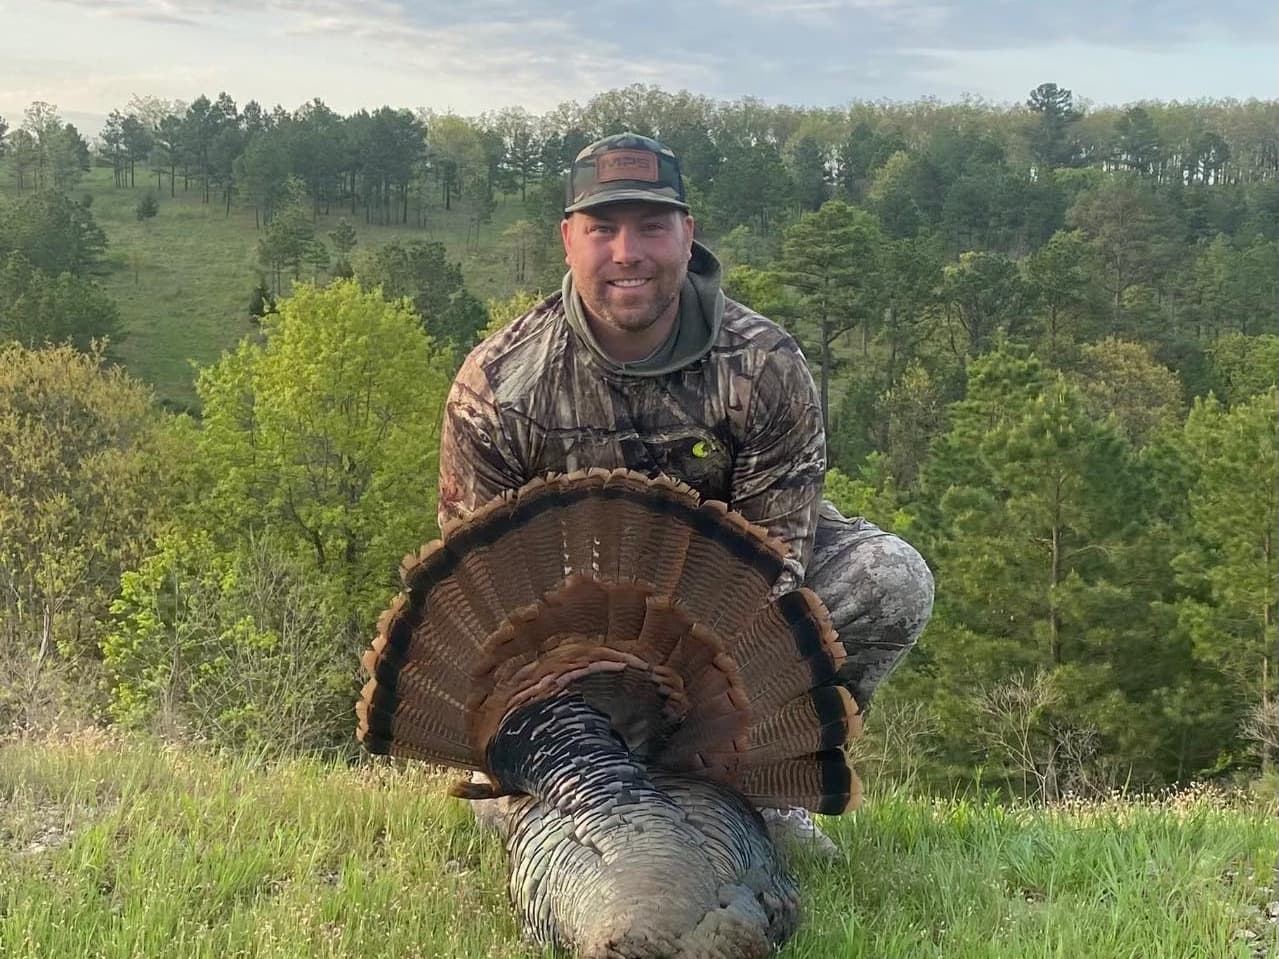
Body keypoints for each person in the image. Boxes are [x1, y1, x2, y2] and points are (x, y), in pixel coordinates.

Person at [438, 132, 934, 857]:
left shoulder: (762, 364)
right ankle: (560, 779)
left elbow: (776, 567)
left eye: (650, 226)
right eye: (603, 228)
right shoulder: (499, 383)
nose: (626, 252)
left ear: (687, 234)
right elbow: (476, 596)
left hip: (723, 628)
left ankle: (758, 786)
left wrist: (693, 689)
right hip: (567, 640)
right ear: (568, 239)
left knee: (891, 580)